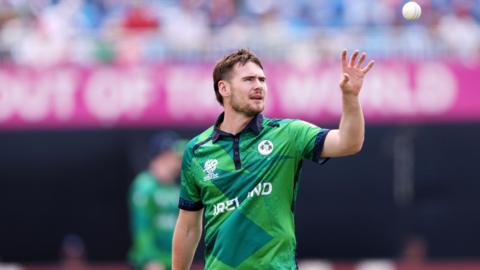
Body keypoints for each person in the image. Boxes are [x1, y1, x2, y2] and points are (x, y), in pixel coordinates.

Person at [172, 48, 374, 269]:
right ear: (224, 88)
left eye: (262, 79)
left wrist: (350, 97)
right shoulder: (197, 149)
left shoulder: (288, 133)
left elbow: (348, 142)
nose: (259, 85)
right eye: (249, 79)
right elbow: (188, 228)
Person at [129, 132, 185, 270]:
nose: (180, 162)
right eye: (176, 157)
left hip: (173, 261)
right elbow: (141, 227)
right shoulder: (145, 185)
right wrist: (150, 260)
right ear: (163, 156)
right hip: (152, 263)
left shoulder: (177, 189)